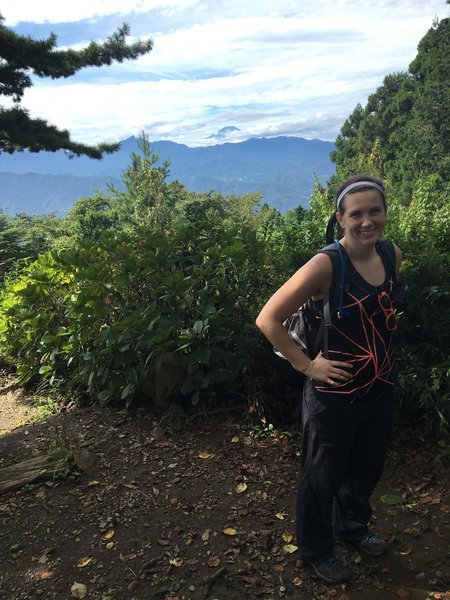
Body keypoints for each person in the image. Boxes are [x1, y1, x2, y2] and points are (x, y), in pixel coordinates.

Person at [255, 174, 402, 584]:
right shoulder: (327, 264)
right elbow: (267, 318)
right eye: (357, 214)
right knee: (321, 475)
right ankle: (317, 548)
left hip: (378, 387)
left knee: (366, 468)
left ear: (385, 213)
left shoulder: (391, 254)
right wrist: (308, 366)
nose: (367, 221)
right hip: (332, 396)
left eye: (375, 211)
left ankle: (352, 528)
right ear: (340, 218)